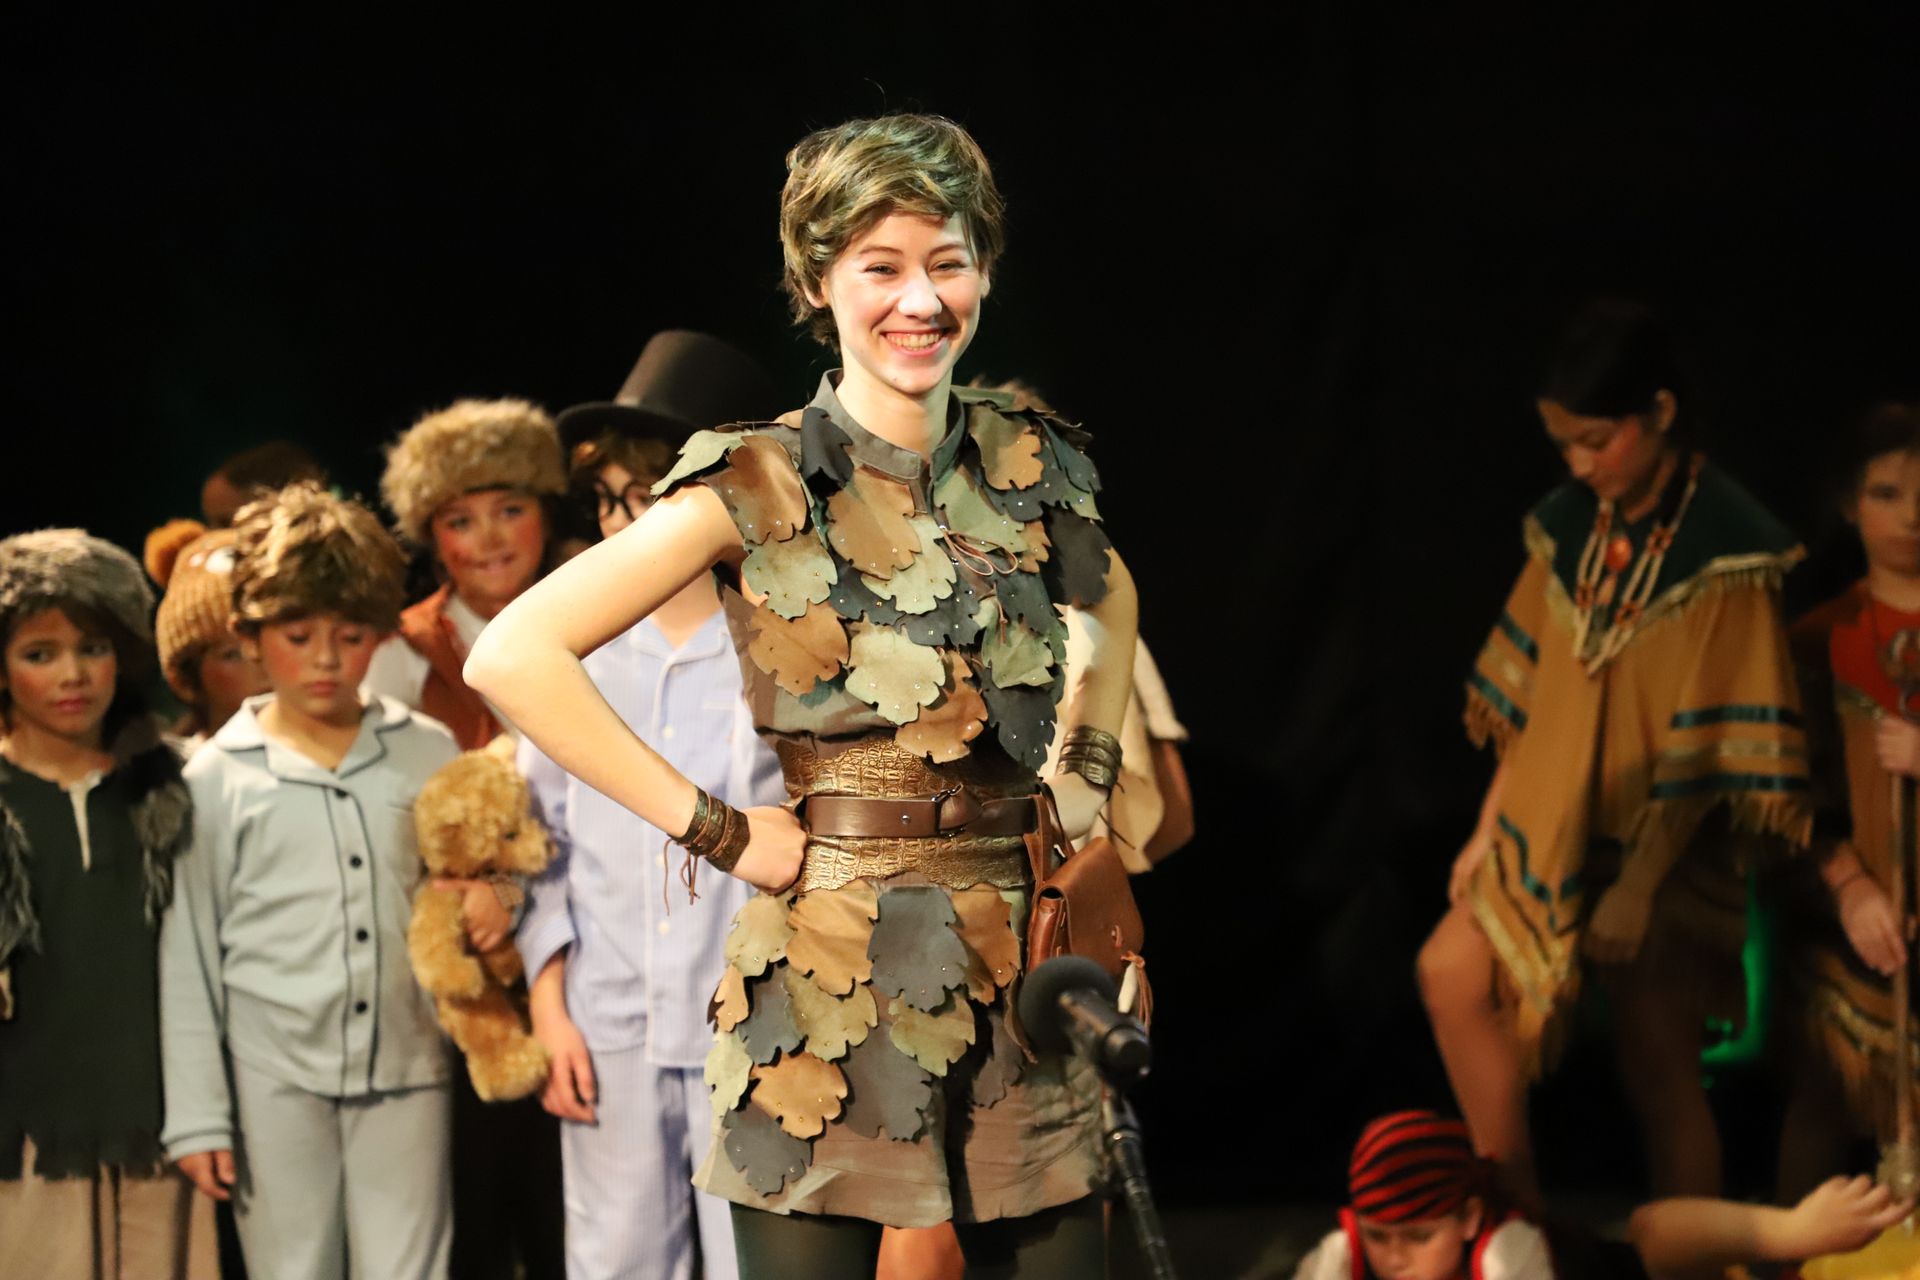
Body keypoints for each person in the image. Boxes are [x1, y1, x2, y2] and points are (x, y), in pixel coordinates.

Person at [467, 113, 1138, 1279]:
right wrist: (716, 828)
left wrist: (1085, 766)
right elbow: (513, 654)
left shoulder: (1030, 459)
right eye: (881, 266)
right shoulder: (756, 475)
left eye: (949, 259)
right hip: (827, 973)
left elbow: (1112, 597)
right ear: (815, 283)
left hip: (1022, 963)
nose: (920, 299)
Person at [1417, 302, 1811, 1203]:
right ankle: (1520, 1226)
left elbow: (1711, 747)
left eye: (1598, 441)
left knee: (1658, 1056)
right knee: (1450, 971)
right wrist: (1486, 830)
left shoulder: (1729, 549)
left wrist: (1636, 888)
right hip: (1547, 820)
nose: (1581, 465)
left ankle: (1688, 1263)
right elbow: (1530, 700)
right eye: (1565, 445)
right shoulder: (1569, 524)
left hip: (1660, 849)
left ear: (1660, 414)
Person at [519, 331, 786, 1280]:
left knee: (753, 1254)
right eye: (610, 499)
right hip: (611, 1024)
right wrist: (551, 1012)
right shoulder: (568, 647)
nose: (627, 522)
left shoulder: (783, 649)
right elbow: (536, 846)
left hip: (753, 1024)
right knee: (617, 1258)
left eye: (654, 495)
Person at [159, 483, 461, 1280]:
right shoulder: (216, 778)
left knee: (412, 1267)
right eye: (298, 635)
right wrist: (197, 1117)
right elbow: (187, 955)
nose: (326, 659)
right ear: (253, 638)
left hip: (409, 1063)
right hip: (273, 1073)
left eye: (351, 636)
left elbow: (467, 885)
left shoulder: (426, 752)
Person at [368, 396, 568, 1278]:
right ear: (430, 535)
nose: (489, 538)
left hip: (578, 949)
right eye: (460, 519)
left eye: (510, 509)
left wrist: (521, 893)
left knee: (568, 1206)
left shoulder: (596, 617)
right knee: (474, 1207)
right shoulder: (400, 652)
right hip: (456, 976)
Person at [0, 528, 217, 1279]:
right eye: (39, 654)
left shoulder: (182, 782)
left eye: (92, 648)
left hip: (164, 1125)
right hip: (26, 1138)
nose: (73, 675)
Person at [1779, 402, 1920, 1199]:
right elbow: (1792, 794)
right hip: (1856, 920)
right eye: (1888, 493)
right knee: (1826, 1093)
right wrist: (1853, 886)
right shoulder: (1819, 639)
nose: (1913, 518)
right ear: (1849, 504)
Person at [1293, 1111, 1910, 1280]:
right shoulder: (1339, 1264)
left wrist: (1792, 1234)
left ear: (1468, 1219)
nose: (1393, 1258)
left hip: (1622, 1269)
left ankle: (1789, 1230)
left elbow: (1653, 1241)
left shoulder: (1511, 1259)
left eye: (1417, 1236)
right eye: (1378, 1236)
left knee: (1648, 1236)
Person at [145, 519, 270, 747]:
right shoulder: (177, 777)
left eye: (272, 644)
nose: (265, 665)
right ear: (185, 681)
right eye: (233, 654)